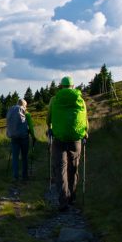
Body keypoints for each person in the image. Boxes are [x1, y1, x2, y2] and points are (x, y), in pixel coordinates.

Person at [47, 76, 88, 211]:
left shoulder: (54, 99)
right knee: (73, 167)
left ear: (61, 86)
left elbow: (49, 118)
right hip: (76, 139)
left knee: (61, 169)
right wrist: (85, 132)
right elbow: (85, 119)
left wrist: (50, 128)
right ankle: (72, 197)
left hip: (59, 139)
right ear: (73, 86)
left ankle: (63, 200)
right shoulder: (80, 100)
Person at [6, 99, 36, 181]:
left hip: (14, 138)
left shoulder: (12, 112)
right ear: (24, 105)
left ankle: (15, 176)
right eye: (26, 106)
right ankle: (24, 176)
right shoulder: (26, 114)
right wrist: (33, 137)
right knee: (24, 157)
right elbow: (31, 127)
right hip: (24, 138)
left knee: (15, 157)